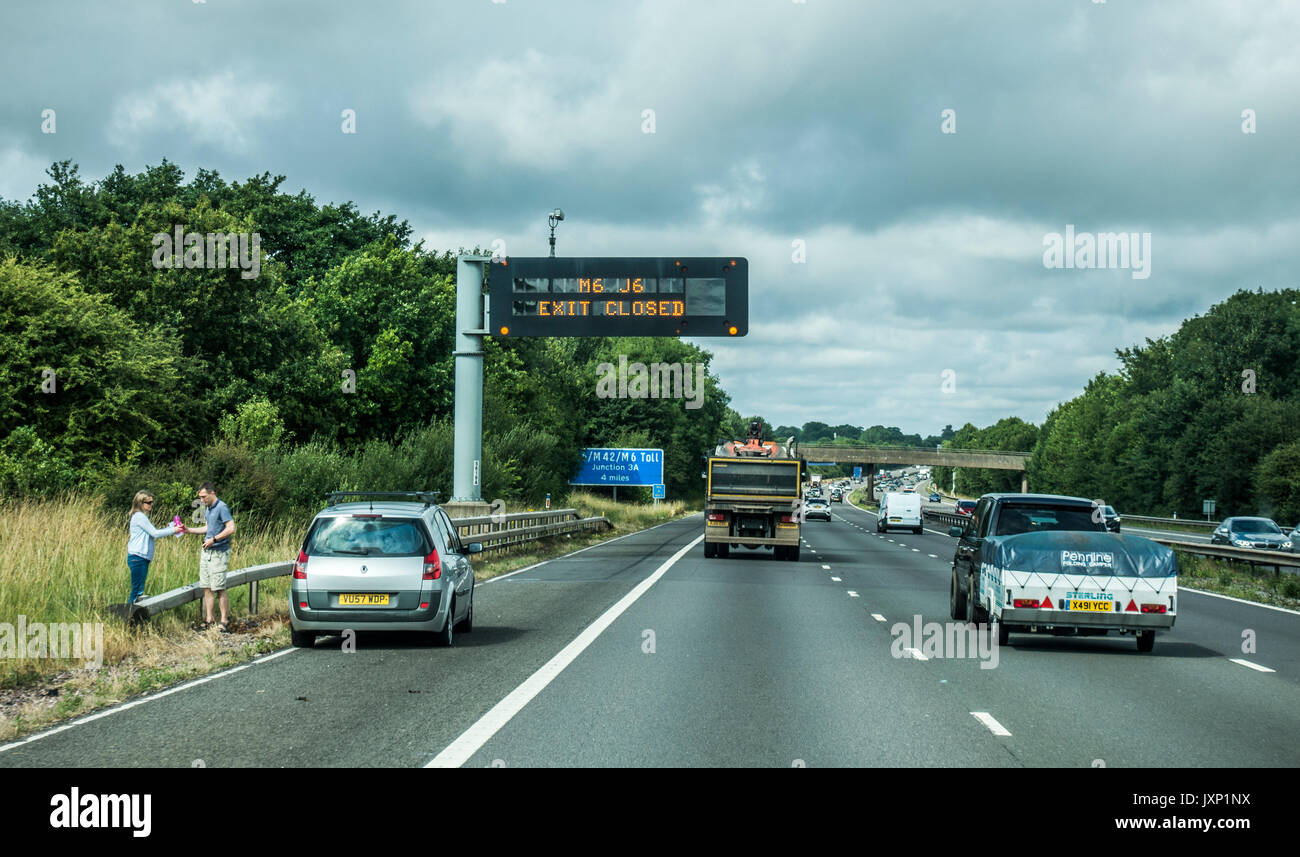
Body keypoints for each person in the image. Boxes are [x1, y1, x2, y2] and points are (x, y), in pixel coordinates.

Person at [189, 482, 236, 631]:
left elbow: (231, 528)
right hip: (207, 552)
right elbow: (208, 528)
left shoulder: (222, 507)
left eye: (204, 497)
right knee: (206, 587)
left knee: (219, 587)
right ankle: (209, 620)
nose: (202, 500)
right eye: (200, 498)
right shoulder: (208, 509)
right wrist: (188, 530)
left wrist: (214, 540)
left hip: (218, 553)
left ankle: (224, 621)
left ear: (212, 493)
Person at [126, 491, 181, 604]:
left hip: (142, 557)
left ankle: (135, 615)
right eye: (148, 502)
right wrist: (173, 530)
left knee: (139, 592)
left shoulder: (142, 517)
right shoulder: (139, 516)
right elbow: (155, 533)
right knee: (136, 591)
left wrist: (170, 528)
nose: (151, 504)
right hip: (137, 556)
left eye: (152, 502)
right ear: (141, 503)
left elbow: (153, 533)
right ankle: (129, 613)